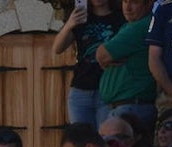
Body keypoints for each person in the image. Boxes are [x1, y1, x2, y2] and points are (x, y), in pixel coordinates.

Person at [53, 0, 125, 128]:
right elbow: (57, 48)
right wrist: (69, 24)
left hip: (107, 90)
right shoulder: (81, 19)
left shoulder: (120, 18)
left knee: (106, 139)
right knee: (81, 140)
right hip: (80, 89)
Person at [96, 0, 157, 130]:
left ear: (149, 3)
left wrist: (107, 58)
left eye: (134, 2)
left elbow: (102, 55)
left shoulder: (141, 26)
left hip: (131, 107)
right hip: (120, 106)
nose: (128, 8)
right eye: (125, 1)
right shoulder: (129, 25)